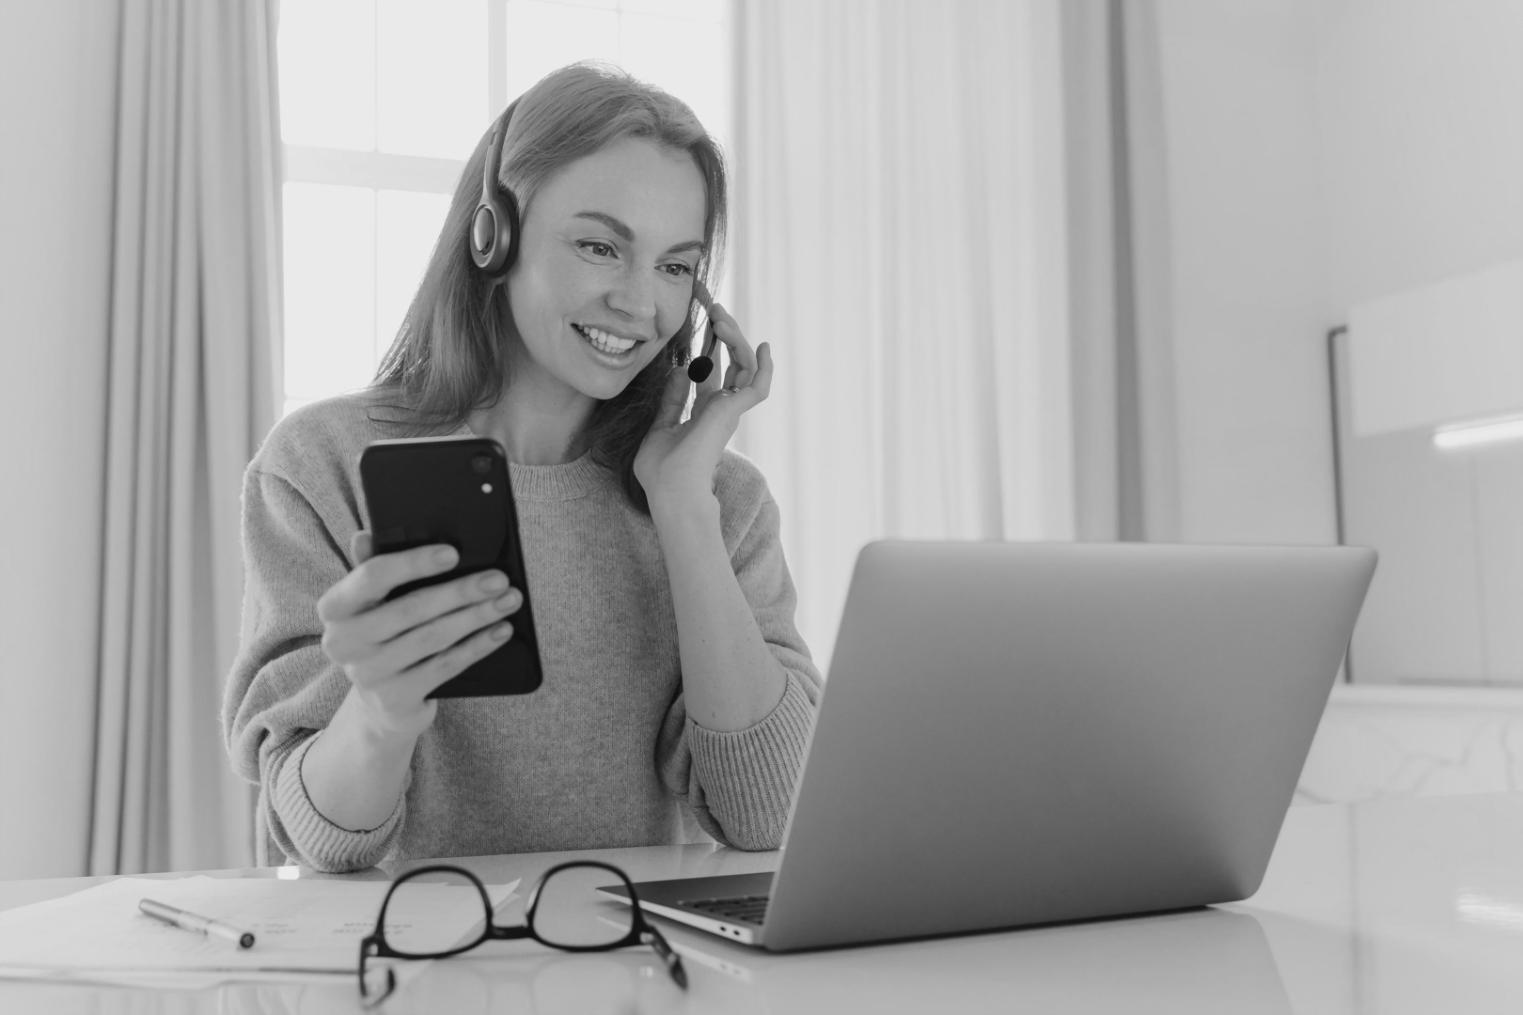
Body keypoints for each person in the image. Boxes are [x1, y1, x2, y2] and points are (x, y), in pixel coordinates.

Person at [221, 62, 821, 873]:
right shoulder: (321, 465)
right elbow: (323, 839)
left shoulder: (719, 498)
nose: (641, 305)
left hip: (638, 982)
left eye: (676, 266)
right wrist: (380, 711)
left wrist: (681, 508)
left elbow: (769, 817)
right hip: (406, 975)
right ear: (491, 237)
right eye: (600, 246)